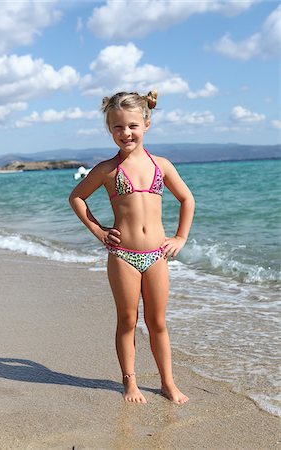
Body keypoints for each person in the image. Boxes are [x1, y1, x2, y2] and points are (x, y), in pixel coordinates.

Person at [69, 91, 195, 404]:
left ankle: (168, 382)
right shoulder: (107, 169)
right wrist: (98, 230)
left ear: (146, 124)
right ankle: (130, 383)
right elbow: (76, 197)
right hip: (123, 256)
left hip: (157, 255)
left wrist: (180, 237)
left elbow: (187, 199)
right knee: (127, 321)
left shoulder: (161, 166)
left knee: (158, 323)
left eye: (132, 126)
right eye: (117, 127)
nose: (126, 133)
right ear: (110, 129)